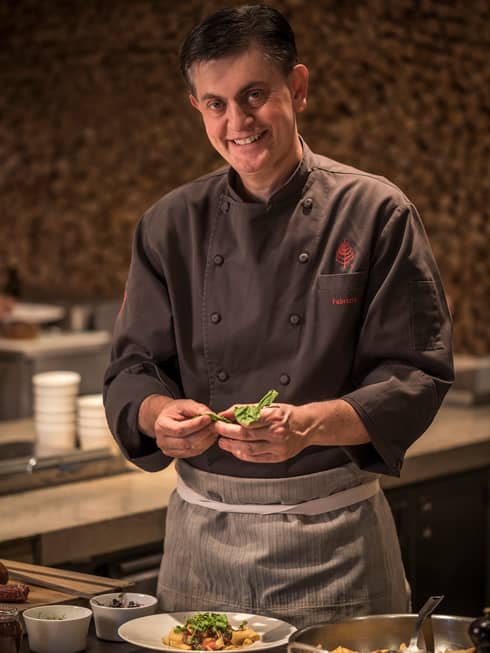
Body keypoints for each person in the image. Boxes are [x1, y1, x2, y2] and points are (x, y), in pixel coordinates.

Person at [103, 5, 453, 628]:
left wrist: (309, 426)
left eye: (254, 95)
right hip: (201, 540)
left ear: (298, 88)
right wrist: (159, 417)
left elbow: (414, 374)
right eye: (215, 104)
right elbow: (133, 367)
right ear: (197, 109)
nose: (237, 122)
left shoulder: (376, 212)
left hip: (334, 540)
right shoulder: (169, 225)